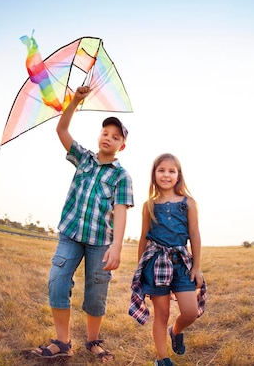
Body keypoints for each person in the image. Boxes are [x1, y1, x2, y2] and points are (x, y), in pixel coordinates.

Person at [33, 85, 134, 361]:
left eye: (115, 137)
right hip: (71, 234)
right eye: (105, 133)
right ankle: (63, 342)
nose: (108, 138)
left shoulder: (121, 176)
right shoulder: (84, 159)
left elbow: (122, 211)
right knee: (57, 282)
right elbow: (61, 131)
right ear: (99, 136)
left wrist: (117, 247)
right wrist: (75, 101)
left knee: (96, 292)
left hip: (100, 242)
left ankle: (92, 341)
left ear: (121, 145)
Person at [129, 153, 207, 366]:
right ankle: (162, 359)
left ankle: (176, 330)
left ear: (178, 175)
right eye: (161, 170)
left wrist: (197, 267)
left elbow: (194, 234)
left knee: (190, 312)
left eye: (171, 171)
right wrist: (140, 271)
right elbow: (143, 238)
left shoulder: (188, 203)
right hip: (155, 265)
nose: (166, 175)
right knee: (161, 314)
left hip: (181, 264)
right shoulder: (149, 205)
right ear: (154, 175)